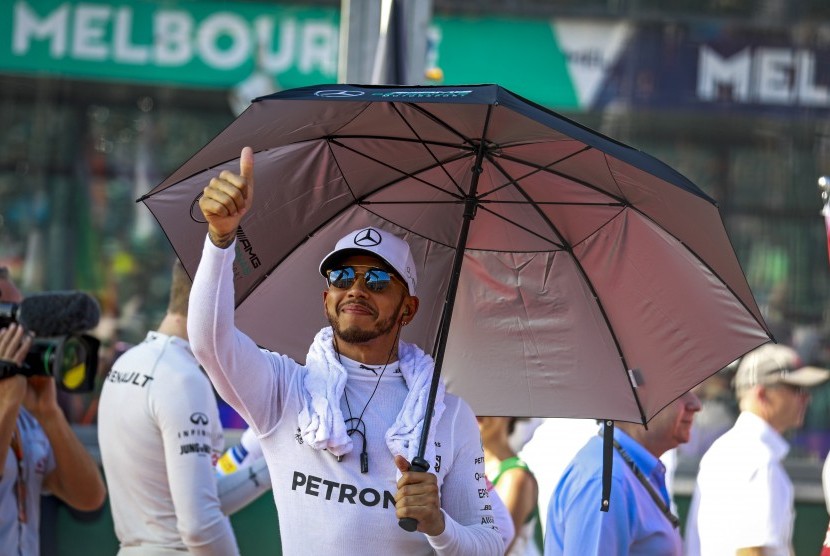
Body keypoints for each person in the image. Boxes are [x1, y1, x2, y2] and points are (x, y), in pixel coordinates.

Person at [188, 147, 502, 554]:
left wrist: (440, 526)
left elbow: (491, 544)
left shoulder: (447, 414)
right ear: (326, 299)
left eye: (376, 279)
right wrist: (220, 238)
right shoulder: (285, 389)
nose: (355, 289)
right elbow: (209, 343)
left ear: (408, 308)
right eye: (341, 276)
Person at [98, 260, 239, 555]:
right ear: (222, 296)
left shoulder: (129, 361)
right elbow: (199, 525)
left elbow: (193, 499)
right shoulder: (182, 378)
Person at [685, 343, 829, 556]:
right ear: (762, 394)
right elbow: (750, 551)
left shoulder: (728, 449)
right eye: (796, 389)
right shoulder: (759, 459)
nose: (806, 398)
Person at [0, 266, 107, 554]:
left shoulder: (24, 414)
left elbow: (89, 497)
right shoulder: (11, 403)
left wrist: (49, 413)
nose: (22, 336)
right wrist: (8, 401)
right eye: (9, 323)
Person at [545, 390, 702, 556]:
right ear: (636, 400)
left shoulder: (618, 471)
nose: (695, 405)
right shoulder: (606, 479)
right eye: (680, 392)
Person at [479, 416, 543, 555]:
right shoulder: (465, 468)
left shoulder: (514, 477)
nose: (479, 413)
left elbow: (494, 549)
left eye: (490, 403)